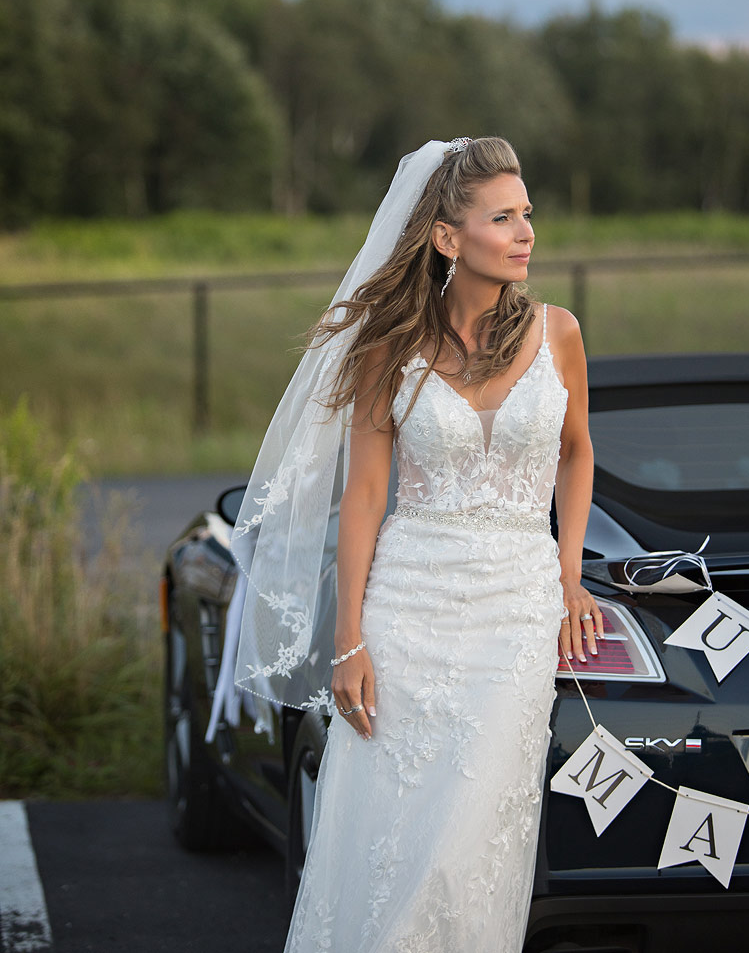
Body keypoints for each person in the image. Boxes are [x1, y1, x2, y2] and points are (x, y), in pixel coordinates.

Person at [230, 135, 598, 952]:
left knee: (465, 851)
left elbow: (576, 453)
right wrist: (348, 638)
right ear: (445, 236)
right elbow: (364, 496)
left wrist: (569, 575)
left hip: (515, 611)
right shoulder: (387, 348)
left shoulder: (558, 331)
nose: (525, 233)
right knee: (388, 837)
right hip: (407, 611)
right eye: (501, 217)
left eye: (526, 214)